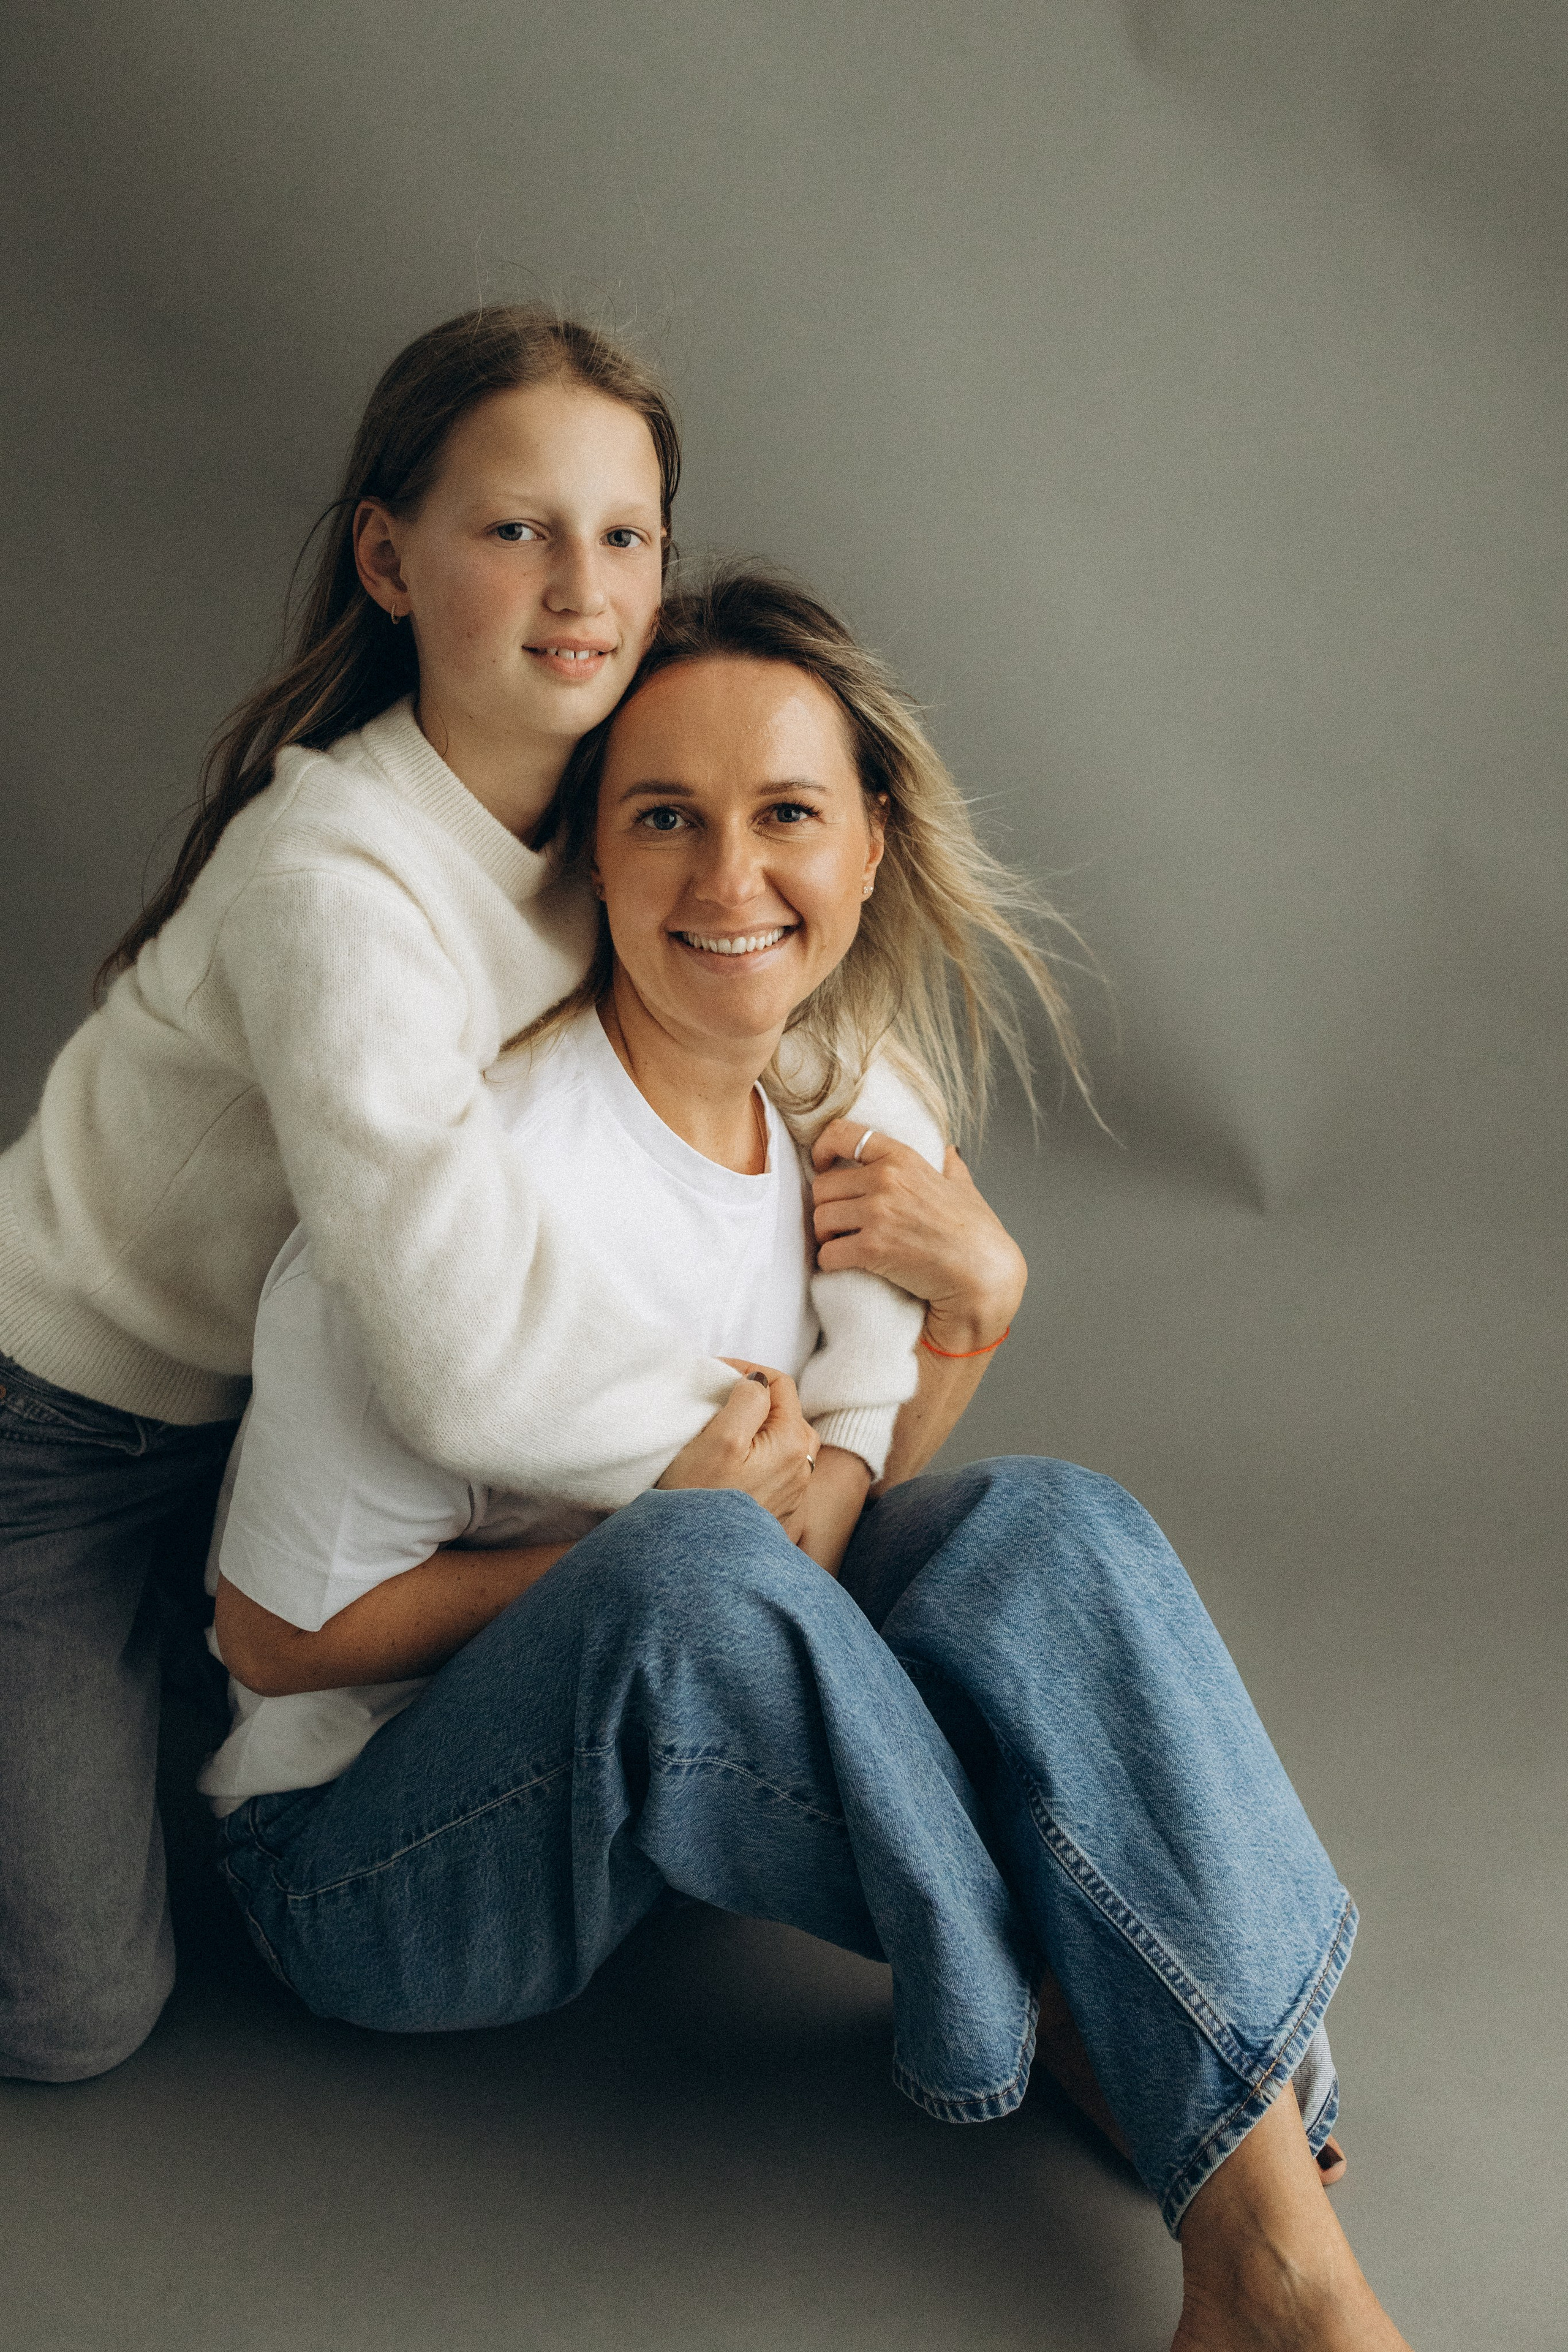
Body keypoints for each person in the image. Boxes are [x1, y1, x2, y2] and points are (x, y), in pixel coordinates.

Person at [204, 571, 1412, 2351]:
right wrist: (651, 1544)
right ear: (590, 860)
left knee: (1050, 1527)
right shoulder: (465, 1216)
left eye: (787, 817)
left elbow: (827, 1519)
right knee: (696, 1574)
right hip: (371, 1864)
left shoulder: (837, 1127)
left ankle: (1264, 2248)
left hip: (637, 1787)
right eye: (663, 818)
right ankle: (1163, 2053)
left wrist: (978, 1316)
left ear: (867, 851)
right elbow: (268, 1641)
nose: (728, 880)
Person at [0, 308, 987, 2084]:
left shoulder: (613, 815)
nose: (580, 588)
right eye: (514, 530)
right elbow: (463, 1365)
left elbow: (814, 1034)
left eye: (623, 535)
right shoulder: (336, 883)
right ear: (387, 558)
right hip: (58, 1426)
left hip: (250, 1418)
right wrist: (723, 1492)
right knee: (72, 2018)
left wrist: (954, 1257)